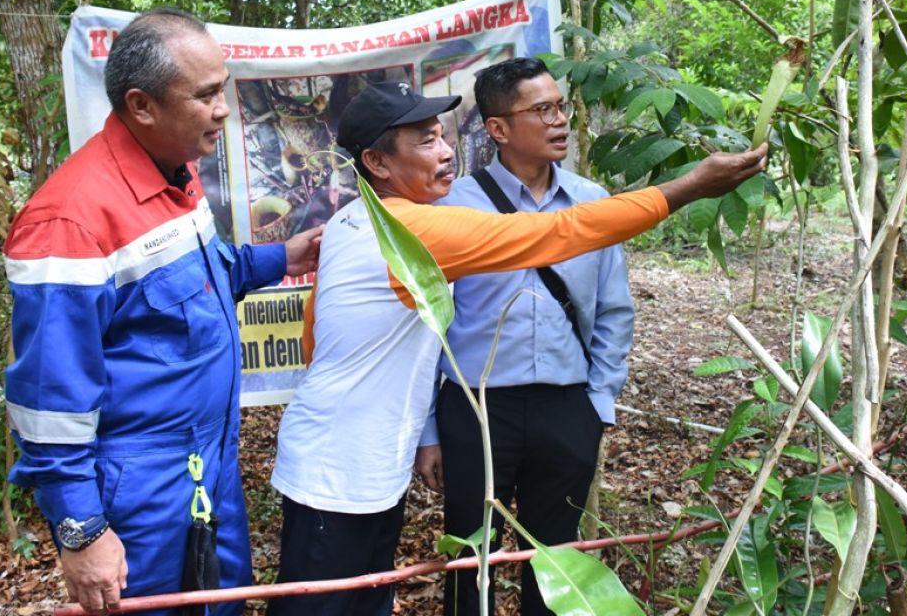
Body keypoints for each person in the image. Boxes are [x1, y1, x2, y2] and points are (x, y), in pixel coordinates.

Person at [268, 82, 767, 616]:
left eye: (443, 137)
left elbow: (314, 339)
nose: (444, 153)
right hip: (340, 473)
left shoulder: (350, 219)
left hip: (352, 459)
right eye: (424, 142)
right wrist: (687, 186)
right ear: (376, 162)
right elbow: (556, 233)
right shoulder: (410, 227)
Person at [3, 9, 322, 616]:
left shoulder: (176, 173)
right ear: (142, 105)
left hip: (210, 466)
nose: (223, 108)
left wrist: (283, 256)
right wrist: (82, 530)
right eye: (205, 96)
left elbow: (199, 278)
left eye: (221, 88)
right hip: (141, 489)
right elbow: (48, 401)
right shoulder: (70, 221)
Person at [421, 57, 633, 615]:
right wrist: (428, 430)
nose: (560, 119)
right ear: (498, 129)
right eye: (542, 110)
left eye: (560, 106)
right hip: (476, 409)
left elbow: (614, 310)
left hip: (567, 407)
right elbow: (426, 329)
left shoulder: (595, 203)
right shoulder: (452, 208)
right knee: (472, 557)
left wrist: (599, 402)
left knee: (558, 561)